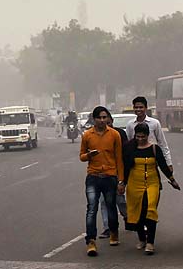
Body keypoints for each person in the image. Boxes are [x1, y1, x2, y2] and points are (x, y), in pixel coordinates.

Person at [119, 122, 180, 254]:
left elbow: (163, 166)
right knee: (138, 213)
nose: (140, 139)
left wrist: (172, 180)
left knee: (150, 210)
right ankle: (142, 239)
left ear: (148, 136)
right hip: (134, 185)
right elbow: (126, 168)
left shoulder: (154, 149)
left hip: (153, 184)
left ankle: (150, 243)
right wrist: (122, 183)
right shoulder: (130, 150)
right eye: (138, 136)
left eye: (143, 137)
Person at [80, 106, 124, 256]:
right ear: (94, 119)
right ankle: (91, 241)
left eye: (105, 117)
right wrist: (89, 155)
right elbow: (81, 156)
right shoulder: (87, 135)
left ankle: (114, 232)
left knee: (111, 206)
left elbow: (119, 159)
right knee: (92, 208)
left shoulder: (114, 135)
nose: (102, 120)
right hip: (93, 176)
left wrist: (121, 181)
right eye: (99, 117)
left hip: (110, 176)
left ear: (108, 119)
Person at [129, 96, 172, 168]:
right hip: (136, 161)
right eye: (136, 107)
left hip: (152, 160)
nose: (138, 109)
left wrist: (169, 163)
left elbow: (162, 144)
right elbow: (129, 143)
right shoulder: (130, 125)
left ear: (146, 108)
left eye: (141, 107)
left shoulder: (155, 123)